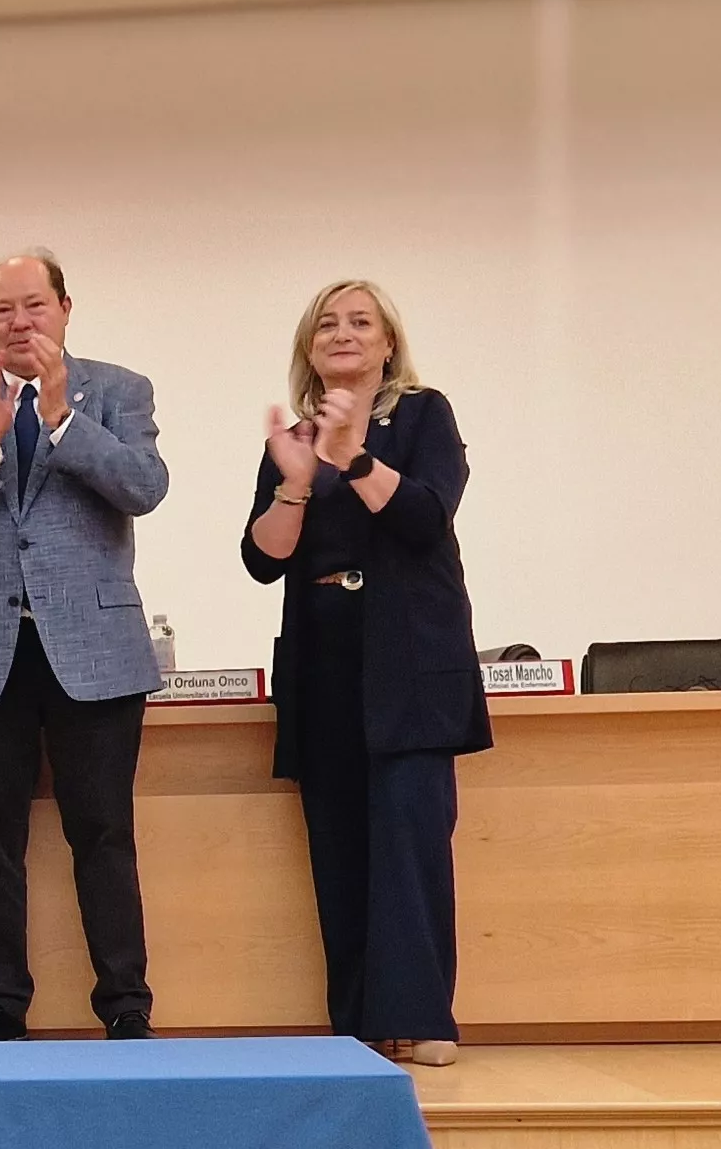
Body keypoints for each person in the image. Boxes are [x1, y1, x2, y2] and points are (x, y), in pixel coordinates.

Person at [0, 248, 167, 1042]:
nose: (18, 322)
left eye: (33, 305)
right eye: (1, 310)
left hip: (95, 651)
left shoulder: (117, 390)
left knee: (103, 833)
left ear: (64, 308)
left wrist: (63, 423)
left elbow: (143, 486)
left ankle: (125, 1001)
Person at [242, 278, 489, 1068]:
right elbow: (261, 557)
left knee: (410, 844)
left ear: (387, 344)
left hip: (409, 656)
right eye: (326, 324)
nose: (342, 333)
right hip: (322, 658)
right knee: (339, 849)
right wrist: (295, 479)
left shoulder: (423, 415)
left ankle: (421, 1017)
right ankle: (355, 1025)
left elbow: (423, 517)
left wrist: (350, 457)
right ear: (308, 348)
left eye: (359, 322)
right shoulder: (294, 438)